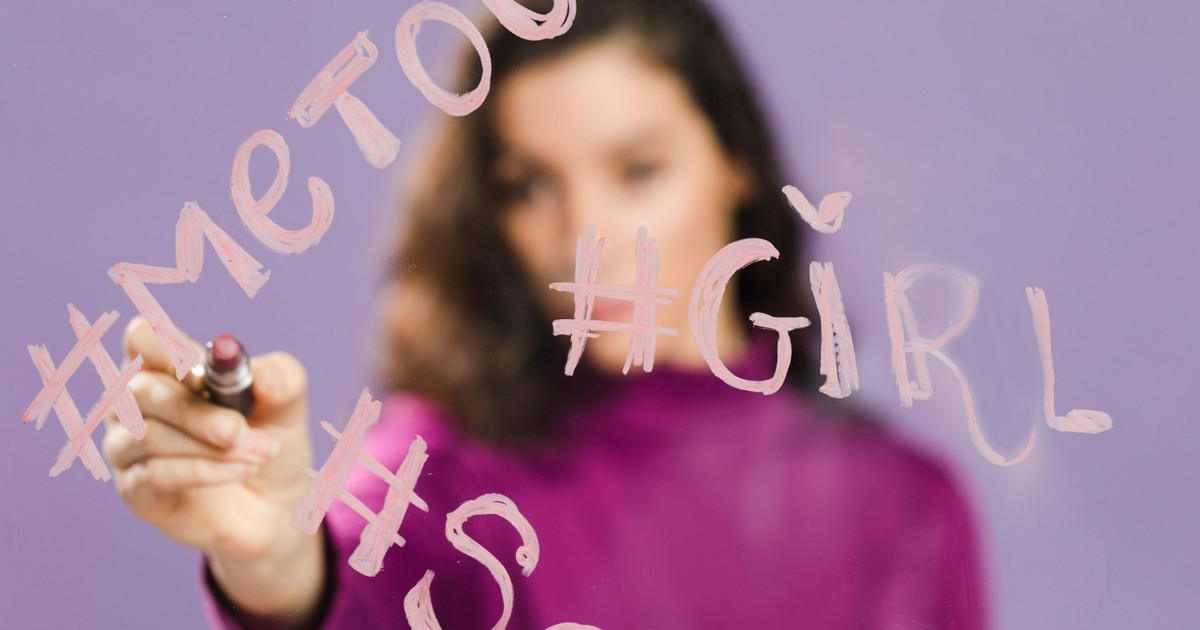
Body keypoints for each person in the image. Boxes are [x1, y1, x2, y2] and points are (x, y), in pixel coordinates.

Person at [106, 0, 988, 627]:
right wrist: (274, 567)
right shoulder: (439, 473)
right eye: (531, 186)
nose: (585, 238)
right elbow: (347, 579)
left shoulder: (907, 506)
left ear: (737, 165)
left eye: (637, 171)